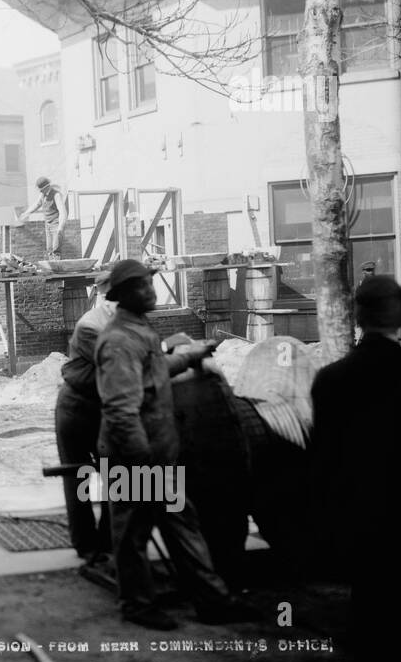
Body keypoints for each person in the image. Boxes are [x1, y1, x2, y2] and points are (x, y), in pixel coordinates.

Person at [95, 259, 257, 630]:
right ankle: (137, 605)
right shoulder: (119, 341)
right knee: (133, 535)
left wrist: (191, 356)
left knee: (184, 525)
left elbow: (155, 372)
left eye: (151, 284)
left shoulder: (139, 331)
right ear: (121, 296)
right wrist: (144, 463)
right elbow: (121, 410)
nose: (150, 291)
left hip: (157, 458)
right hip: (135, 458)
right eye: (141, 287)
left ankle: (213, 601)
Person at [310, 276, 401, 662]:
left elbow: (322, 459)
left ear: (358, 315)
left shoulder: (330, 379)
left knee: (369, 598)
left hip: (358, 508)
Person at [55, 269, 116, 566]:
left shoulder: (130, 321)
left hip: (104, 406)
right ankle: (86, 545)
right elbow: (120, 366)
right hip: (77, 409)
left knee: (116, 475)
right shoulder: (93, 324)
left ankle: (108, 540)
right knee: (79, 476)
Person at [18, 176, 69, 258]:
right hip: (48, 224)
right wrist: (26, 213)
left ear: (47, 187)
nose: (40, 191)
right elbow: (37, 204)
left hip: (56, 224)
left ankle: (57, 265)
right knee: (49, 249)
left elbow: (63, 212)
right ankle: (51, 266)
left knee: (56, 248)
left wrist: (61, 227)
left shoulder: (56, 195)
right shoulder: (43, 194)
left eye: (41, 190)